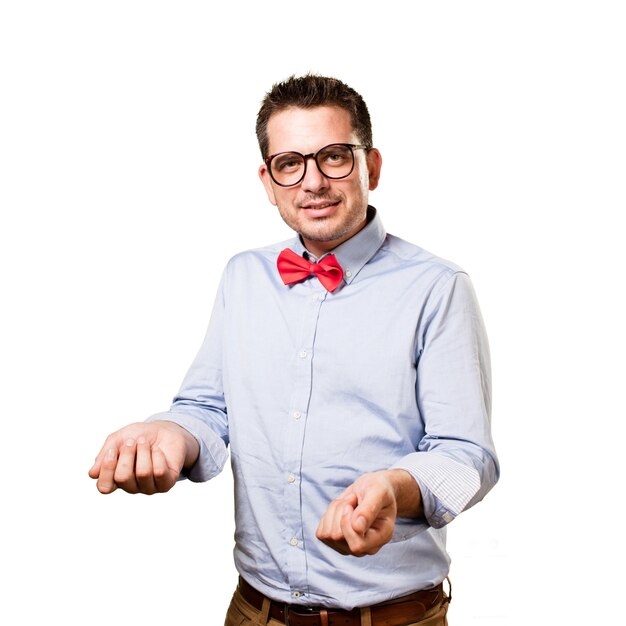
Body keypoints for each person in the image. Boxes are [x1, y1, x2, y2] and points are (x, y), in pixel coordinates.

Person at [89, 74, 499, 626]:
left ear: (371, 167)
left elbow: (468, 460)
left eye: (334, 156)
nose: (313, 182)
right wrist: (171, 434)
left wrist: (396, 487)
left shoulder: (437, 287)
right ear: (268, 178)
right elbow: (207, 409)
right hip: (255, 612)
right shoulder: (243, 277)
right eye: (290, 163)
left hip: (394, 618)